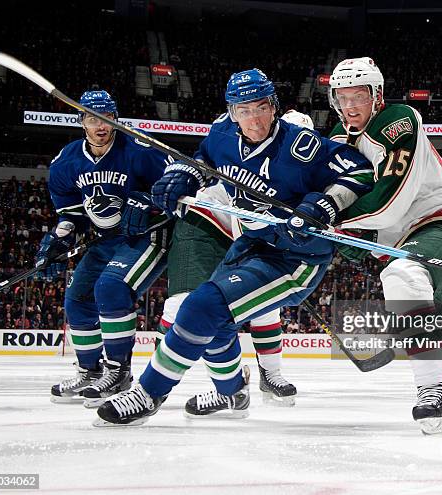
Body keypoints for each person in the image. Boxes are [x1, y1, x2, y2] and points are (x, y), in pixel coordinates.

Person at [93, 69, 374, 426]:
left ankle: (148, 393)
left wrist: (325, 205)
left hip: (296, 257)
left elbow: (361, 171)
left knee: (202, 305)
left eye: (260, 108)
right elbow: (204, 162)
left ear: (274, 106)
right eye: (243, 110)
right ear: (231, 112)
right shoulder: (222, 135)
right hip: (252, 244)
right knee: (217, 324)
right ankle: (232, 392)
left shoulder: (302, 146)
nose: (253, 119)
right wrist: (182, 176)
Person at [328, 57, 442, 434]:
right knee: (420, 314)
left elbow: (389, 203)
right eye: (342, 97)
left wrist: (329, 216)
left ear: (377, 95)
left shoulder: (399, 119)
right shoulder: (336, 138)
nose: (350, 106)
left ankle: (432, 391)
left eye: (358, 96)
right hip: (397, 236)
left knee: (402, 275)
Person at [156, 109, 316, 407]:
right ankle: (205, 383)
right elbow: (202, 160)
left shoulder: (303, 170)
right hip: (207, 225)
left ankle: (268, 375)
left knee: (267, 306)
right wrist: (184, 176)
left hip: (248, 236)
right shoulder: (239, 144)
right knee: (185, 305)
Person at [39, 90, 171, 407]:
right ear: (81, 121)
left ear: (116, 119)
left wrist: (150, 201)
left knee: (111, 288)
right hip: (106, 240)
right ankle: (88, 369)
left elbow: (177, 186)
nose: (101, 125)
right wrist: (59, 238)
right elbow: (70, 213)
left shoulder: (140, 149)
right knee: (78, 298)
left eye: (107, 118)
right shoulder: (67, 161)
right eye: (92, 118)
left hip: (148, 235)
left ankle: (118, 372)